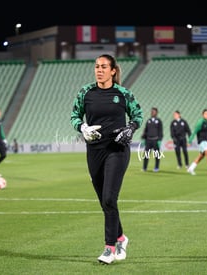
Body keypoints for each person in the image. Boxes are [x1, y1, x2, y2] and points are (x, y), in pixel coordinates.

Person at [70, 54, 143, 264]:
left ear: (113, 71)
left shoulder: (123, 93)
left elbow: (137, 115)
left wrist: (130, 128)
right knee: (105, 201)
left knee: (110, 199)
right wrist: (82, 127)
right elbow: (74, 115)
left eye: (103, 67)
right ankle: (121, 237)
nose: (99, 70)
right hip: (94, 151)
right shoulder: (85, 92)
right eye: (96, 66)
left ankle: (109, 249)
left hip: (117, 150)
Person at [141, 107, 163, 172]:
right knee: (146, 155)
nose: (152, 112)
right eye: (152, 111)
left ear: (156, 112)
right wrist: (143, 138)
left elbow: (160, 131)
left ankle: (156, 167)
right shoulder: (148, 121)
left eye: (153, 111)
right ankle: (144, 168)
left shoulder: (159, 121)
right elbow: (145, 130)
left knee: (157, 155)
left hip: (155, 140)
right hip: (148, 140)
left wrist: (159, 140)